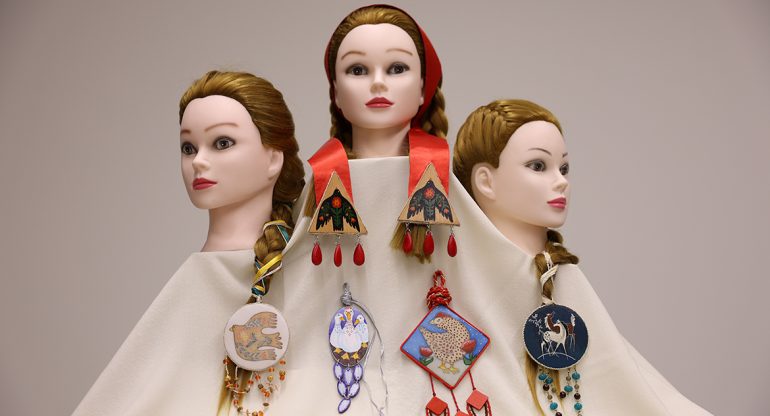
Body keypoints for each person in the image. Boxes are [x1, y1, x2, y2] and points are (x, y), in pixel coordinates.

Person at [453, 99, 711, 415]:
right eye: (538, 166)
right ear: (485, 181)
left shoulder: (563, 279)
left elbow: (621, 382)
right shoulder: (457, 282)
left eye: (564, 168)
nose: (561, 181)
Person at [72, 71, 305, 416]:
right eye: (188, 147)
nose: (198, 161)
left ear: (273, 158)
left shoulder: (308, 271)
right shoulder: (196, 282)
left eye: (222, 143)